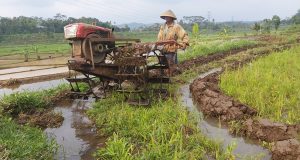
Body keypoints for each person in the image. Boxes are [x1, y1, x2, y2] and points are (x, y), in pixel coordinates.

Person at [157, 9, 189, 76]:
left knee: (170, 65)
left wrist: (185, 43)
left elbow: (184, 35)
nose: (166, 18)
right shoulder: (162, 27)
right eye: (165, 16)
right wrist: (158, 45)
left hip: (171, 49)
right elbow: (159, 38)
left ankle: (173, 78)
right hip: (162, 49)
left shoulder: (176, 26)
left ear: (171, 17)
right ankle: (162, 78)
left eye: (168, 16)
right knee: (161, 66)